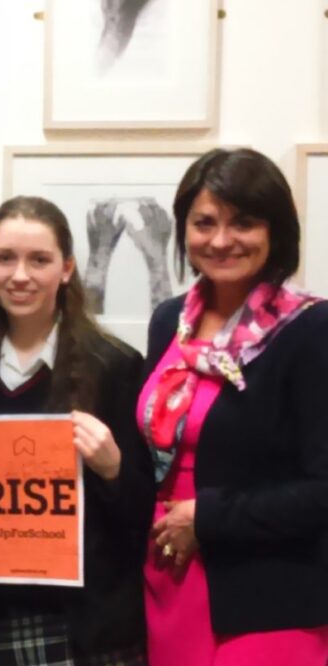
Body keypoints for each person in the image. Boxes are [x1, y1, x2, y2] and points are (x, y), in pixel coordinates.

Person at [0, 196, 153, 664]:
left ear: (66, 268)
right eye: (5, 258)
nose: (20, 275)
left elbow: (143, 514)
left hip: (88, 628)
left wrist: (113, 469)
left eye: (39, 260)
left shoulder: (115, 366)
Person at [139, 148, 328, 665]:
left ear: (275, 231)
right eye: (204, 223)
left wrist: (209, 518)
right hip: (168, 576)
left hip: (268, 594)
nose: (221, 240)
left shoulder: (311, 330)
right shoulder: (170, 321)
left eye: (243, 222)